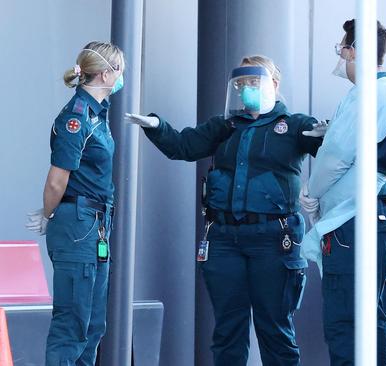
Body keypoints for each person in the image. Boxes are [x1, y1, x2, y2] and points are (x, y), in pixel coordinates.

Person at [124, 55, 323, 366]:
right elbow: (184, 146)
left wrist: (330, 137)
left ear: (274, 85)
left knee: (275, 330)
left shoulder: (295, 126)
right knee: (228, 330)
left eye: (254, 83)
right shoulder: (227, 125)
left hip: (273, 239)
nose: (247, 90)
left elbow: (329, 151)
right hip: (224, 238)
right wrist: (157, 126)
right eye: (242, 85)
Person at [300, 20, 386, 365]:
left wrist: (312, 191)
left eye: (343, 49)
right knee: (371, 317)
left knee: (345, 321)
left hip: (353, 221)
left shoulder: (364, 97)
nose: (342, 58)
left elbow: (335, 157)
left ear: (357, 51)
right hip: (382, 216)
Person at [25, 41, 124, 365]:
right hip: (78, 225)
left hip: (96, 227)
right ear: (107, 74)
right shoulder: (77, 118)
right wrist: (48, 213)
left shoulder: (97, 116)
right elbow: (57, 179)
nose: (122, 77)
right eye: (120, 69)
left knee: (93, 325)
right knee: (72, 325)